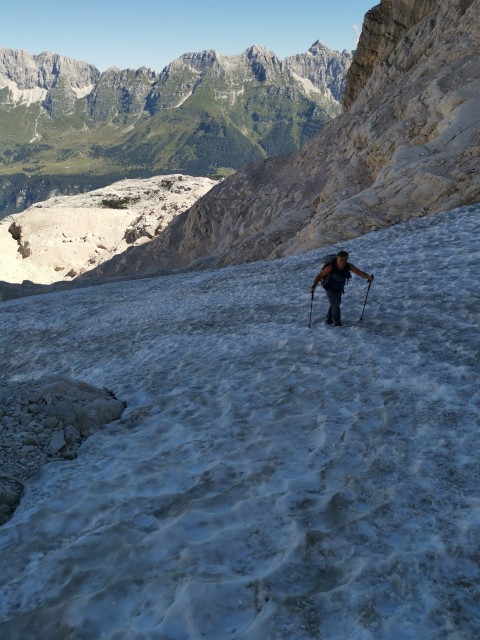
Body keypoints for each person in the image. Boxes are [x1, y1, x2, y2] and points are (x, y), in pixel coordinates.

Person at [310, 251, 374, 326]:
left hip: (339, 287)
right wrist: (314, 285)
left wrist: (368, 277)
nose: (342, 262)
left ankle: (329, 319)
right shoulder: (331, 267)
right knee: (335, 303)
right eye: (340, 260)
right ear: (337, 259)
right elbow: (320, 276)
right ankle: (337, 322)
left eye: (344, 260)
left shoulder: (348, 266)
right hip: (328, 287)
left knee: (335, 303)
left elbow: (358, 272)